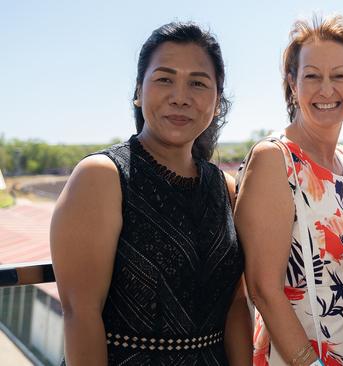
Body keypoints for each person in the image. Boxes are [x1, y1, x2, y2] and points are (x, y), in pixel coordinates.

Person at [50, 22, 251, 365]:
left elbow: (234, 306)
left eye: (198, 83)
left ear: (217, 102)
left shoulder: (225, 188)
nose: (180, 96)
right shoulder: (102, 177)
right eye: (164, 79)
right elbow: (80, 314)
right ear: (138, 92)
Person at [234, 14, 343, 366]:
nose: (327, 89)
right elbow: (264, 288)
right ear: (292, 84)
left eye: (340, 76)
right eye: (312, 76)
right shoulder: (275, 159)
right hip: (305, 353)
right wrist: (310, 363)